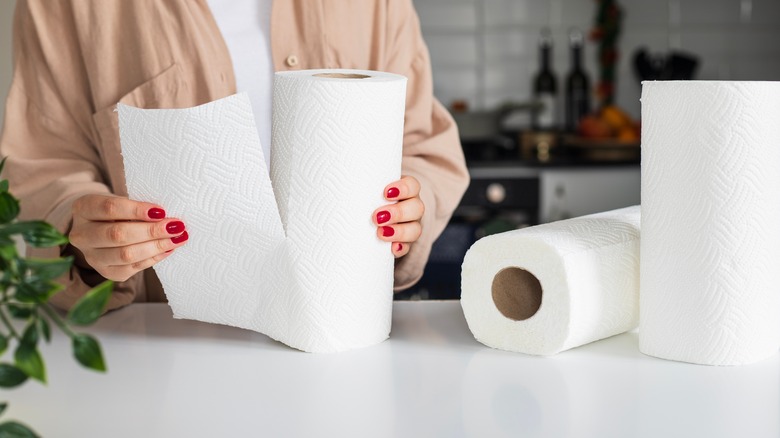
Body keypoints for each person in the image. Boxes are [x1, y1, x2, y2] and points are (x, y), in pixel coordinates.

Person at [0, 0, 469, 311]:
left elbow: (421, 144)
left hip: (340, 332)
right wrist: (85, 235)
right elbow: (47, 159)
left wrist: (408, 209)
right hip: (163, 356)